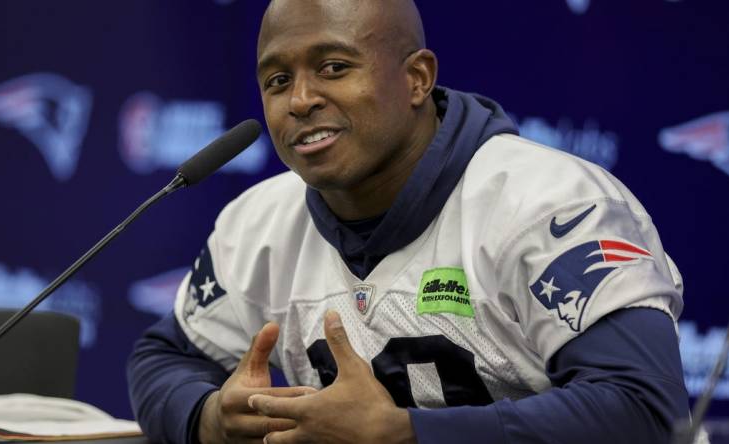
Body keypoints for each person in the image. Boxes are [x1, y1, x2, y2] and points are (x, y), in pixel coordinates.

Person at [127, 1, 690, 443]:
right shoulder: (258, 222)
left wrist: (409, 435)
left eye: (334, 68)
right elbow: (163, 358)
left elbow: (642, 405)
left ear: (417, 78)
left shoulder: (550, 203)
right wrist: (207, 418)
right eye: (277, 81)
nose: (299, 100)